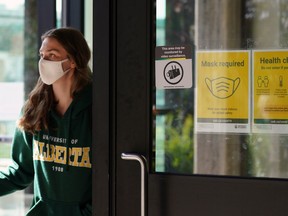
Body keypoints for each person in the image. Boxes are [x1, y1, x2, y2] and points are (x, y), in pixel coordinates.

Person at [0, 27, 93, 216]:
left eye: (52, 55)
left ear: (73, 60)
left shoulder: (98, 110)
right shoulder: (33, 110)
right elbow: (20, 172)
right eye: (42, 55)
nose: (44, 61)